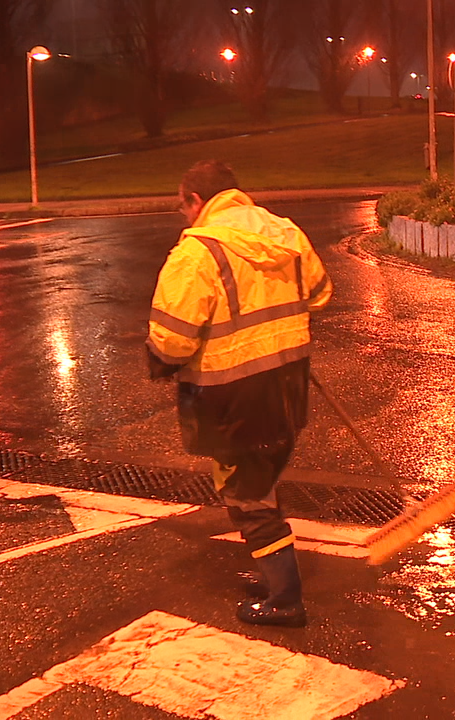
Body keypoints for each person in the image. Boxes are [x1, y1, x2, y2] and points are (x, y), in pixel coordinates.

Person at [146, 160, 332, 626]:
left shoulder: (196, 254)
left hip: (232, 395)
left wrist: (157, 358)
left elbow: (173, 340)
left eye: (182, 206)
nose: (183, 215)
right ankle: (273, 578)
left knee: (246, 495)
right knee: (262, 478)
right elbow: (321, 293)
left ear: (195, 201)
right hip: (288, 382)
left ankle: (285, 600)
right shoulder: (285, 233)